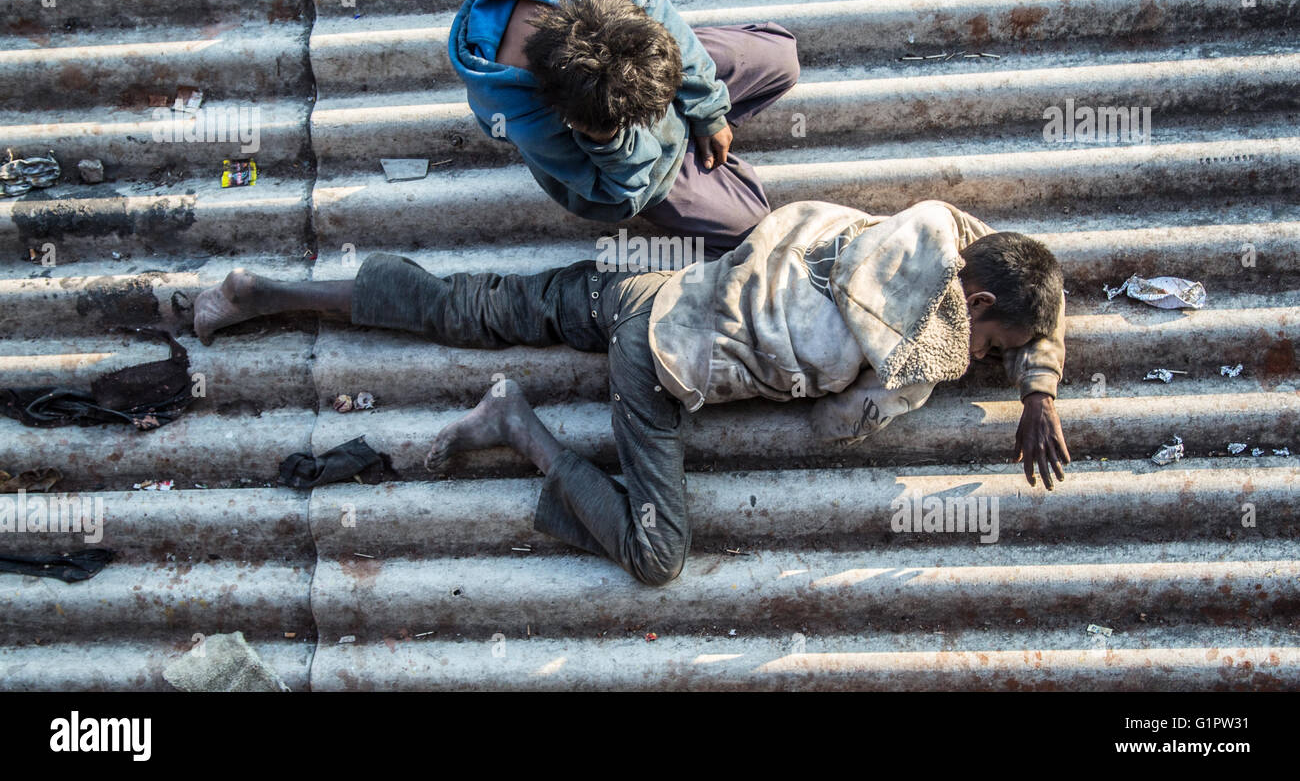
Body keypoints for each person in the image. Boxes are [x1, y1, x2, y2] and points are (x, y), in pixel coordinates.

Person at [193, 199, 1069, 586]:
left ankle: (265, 290)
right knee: (658, 559)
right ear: (976, 306)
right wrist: (915, 379)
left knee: (476, 302)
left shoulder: (928, 229)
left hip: (651, 292)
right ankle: (516, 424)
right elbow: (836, 423)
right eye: (997, 346)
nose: (988, 359)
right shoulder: (909, 361)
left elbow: (1007, 261)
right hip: (654, 369)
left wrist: (1039, 390)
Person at [450, 0, 801, 258]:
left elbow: (659, 11)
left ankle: (688, 132)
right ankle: (685, 163)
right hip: (633, 158)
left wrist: (707, 109)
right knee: (753, 231)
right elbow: (617, 189)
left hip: (636, 73)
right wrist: (606, 140)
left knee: (782, 57)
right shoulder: (524, 116)